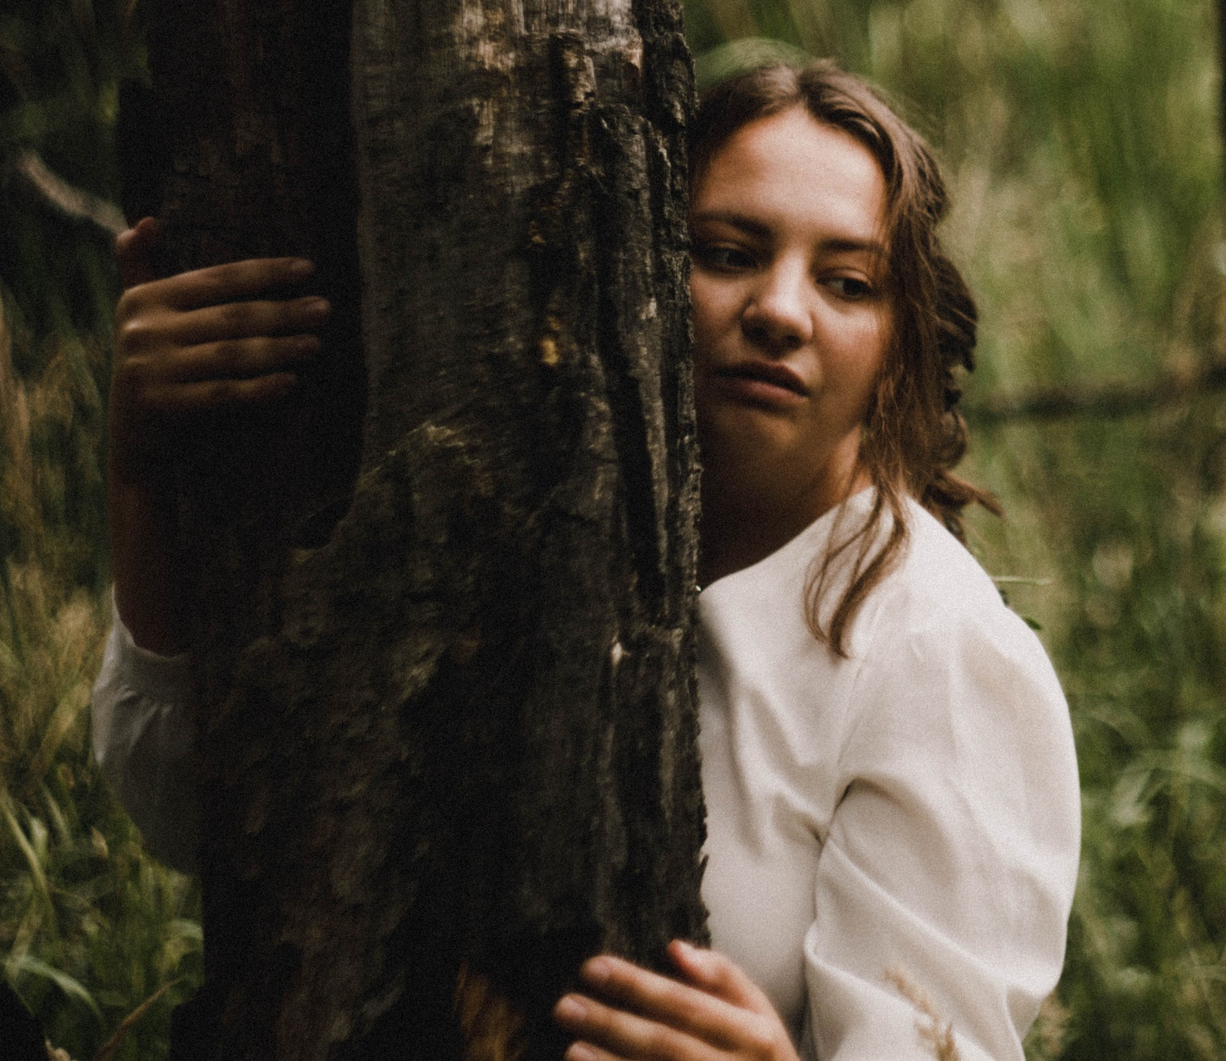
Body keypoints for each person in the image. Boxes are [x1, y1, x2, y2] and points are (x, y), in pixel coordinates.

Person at [91, 61, 1081, 1061]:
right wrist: (144, 474)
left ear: (897, 342)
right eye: (728, 253)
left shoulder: (934, 657)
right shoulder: (517, 517)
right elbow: (193, 820)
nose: (781, 310)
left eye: (848, 282)